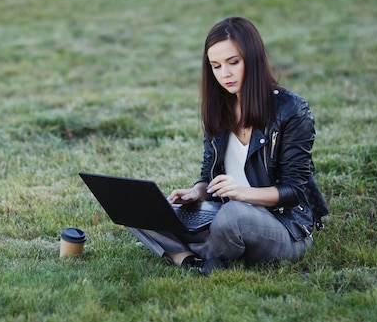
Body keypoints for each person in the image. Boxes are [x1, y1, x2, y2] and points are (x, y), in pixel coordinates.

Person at [128, 16, 329, 276]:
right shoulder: (218, 110)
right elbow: (207, 176)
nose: (225, 74)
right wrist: (197, 193)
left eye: (233, 62)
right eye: (216, 65)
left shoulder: (291, 110)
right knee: (139, 209)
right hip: (224, 213)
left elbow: (294, 191)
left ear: (253, 59)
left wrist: (241, 193)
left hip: (283, 226)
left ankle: (189, 250)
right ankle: (189, 258)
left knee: (232, 215)